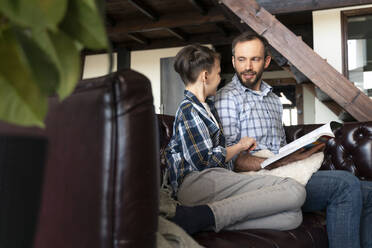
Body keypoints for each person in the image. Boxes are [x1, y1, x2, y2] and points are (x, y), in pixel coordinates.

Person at [214, 32, 372, 248]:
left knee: (369, 192)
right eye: (241, 59)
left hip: (284, 172)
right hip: (257, 181)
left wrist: (303, 149)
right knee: (344, 185)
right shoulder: (226, 98)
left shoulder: (273, 99)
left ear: (266, 61)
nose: (247, 66)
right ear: (233, 61)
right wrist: (273, 163)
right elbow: (230, 159)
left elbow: (278, 149)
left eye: (255, 59)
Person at [165, 44, 307, 235]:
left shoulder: (207, 107)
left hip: (215, 180)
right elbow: (203, 161)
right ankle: (205, 215)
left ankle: (202, 220)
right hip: (196, 184)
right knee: (295, 191)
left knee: (292, 218)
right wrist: (239, 146)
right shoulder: (188, 109)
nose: (220, 79)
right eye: (218, 73)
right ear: (205, 76)